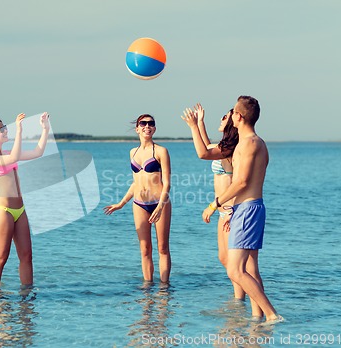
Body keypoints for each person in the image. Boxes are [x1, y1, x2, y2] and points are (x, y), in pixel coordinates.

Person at [190, 96, 281, 322]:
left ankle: (271, 315)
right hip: (247, 208)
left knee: (235, 270)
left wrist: (215, 204)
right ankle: (256, 318)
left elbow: (240, 182)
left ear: (238, 116)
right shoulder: (250, 143)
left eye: (232, 113)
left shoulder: (250, 143)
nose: (230, 116)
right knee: (248, 269)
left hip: (248, 208)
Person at [182, 103, 245, 301]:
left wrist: (193, 126)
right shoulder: (223, 147)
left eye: (224, 117)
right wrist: (200, 122)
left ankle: (240, 299)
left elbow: (203, 153)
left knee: (234, 264)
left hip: (230, 210)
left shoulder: (230, 149)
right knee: (224, 258)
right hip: (222, 210)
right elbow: (208, 146)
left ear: (231, 124)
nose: (221, 119)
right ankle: (239, 299)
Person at [0, 112, 50, 291]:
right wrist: (19, 131)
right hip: (3, 211)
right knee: (1, 257)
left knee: (27, 256)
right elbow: (13, 158)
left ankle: (27, 296)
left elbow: (38, 152)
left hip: (20, 210)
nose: (5, 130)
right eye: (1, 128)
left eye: (5, 127)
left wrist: (45, 129)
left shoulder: (7, 153)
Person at [104, 114, 172, 283]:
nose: (147, 126)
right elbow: (136, 183)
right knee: (145, 249)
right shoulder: (132, 152)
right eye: (143, 123)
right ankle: (148, 289)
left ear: (154, 129)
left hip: (159, 203)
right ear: (137, 128)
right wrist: (121, 203)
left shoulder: (161, 151)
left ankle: (164, 289)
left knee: (162, 248)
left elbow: (167, 184)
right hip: (139, 204)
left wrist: (161, 206)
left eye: (151, 123)